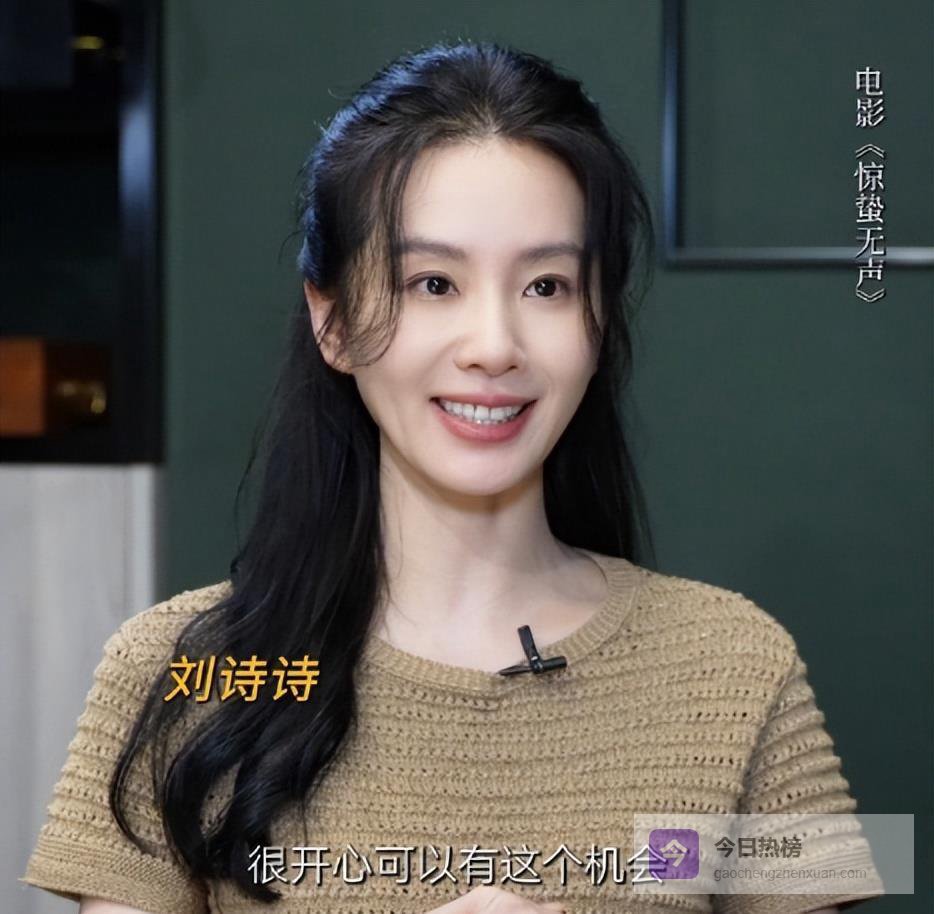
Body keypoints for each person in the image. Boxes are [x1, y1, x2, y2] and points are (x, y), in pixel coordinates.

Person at [20, 40, 877, 914]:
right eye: (433, 283)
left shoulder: (735, 664)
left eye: (547, 286)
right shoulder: (185, 672)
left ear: (599, 322)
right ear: (333, 322)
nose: (494, 346)